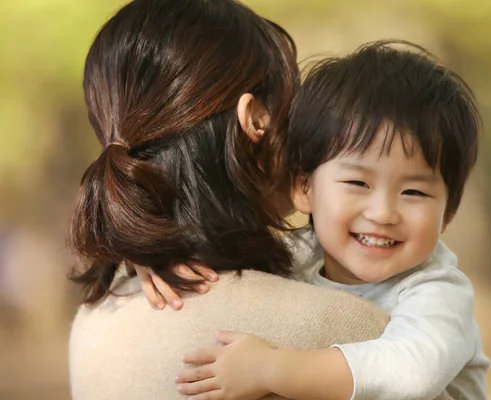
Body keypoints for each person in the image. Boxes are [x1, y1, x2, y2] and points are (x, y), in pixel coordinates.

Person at [67, 1, 405, 399]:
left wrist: (145, 243)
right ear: (255, 119)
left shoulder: (97, 318)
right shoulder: (351, 339)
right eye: (293, 107)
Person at [171, 42, 490, 400]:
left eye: (414, 192)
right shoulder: (299, 253)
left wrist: (268, 369)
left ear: (448, 212)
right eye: (358, 183)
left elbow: (409, 372)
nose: (383, 213)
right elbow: (225, 260)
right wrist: (160, 258)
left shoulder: (438, 292)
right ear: (304, 186)